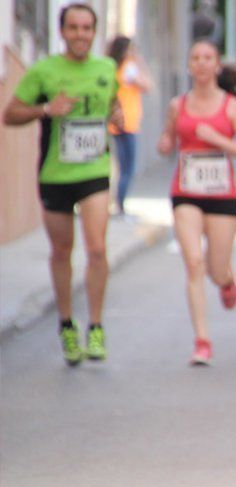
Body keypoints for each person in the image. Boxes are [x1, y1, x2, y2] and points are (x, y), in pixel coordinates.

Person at [3, 3, 122, 366]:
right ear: (62, 32)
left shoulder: (106, 68)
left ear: (94, 32)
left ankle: (96, 326)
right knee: (61, 251)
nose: (81, 35)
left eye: (87, 28)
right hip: (55, 174)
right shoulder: (44, 71)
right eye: (74, 28)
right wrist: (45, 110)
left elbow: (113, 106)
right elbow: (10, 114)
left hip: (94, 170)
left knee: (98, 249)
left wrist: (116, 114)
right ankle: (67, 325)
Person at [156, 41, 236, 366]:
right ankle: (202, 340)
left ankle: (226, 279)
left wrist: (217, 140)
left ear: (217, 66)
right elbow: (167, 139)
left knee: (214, 269)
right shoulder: (177, 104)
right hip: (186, 192)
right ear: (189, 66)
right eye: (195, 58)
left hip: (222, 194)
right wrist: (166, 142)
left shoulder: (232, 107)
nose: (200, 63)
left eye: (207, 58)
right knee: (194, 262)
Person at [107, 36, 153, 215]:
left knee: (121, 165)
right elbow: (147, 86)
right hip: (127, 124)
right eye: (131, 49)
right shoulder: (129, 68)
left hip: (119, 123)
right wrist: (140, 63)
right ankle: (120, 205)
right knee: (127, 167)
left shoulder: (113, 68)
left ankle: (118, 202)